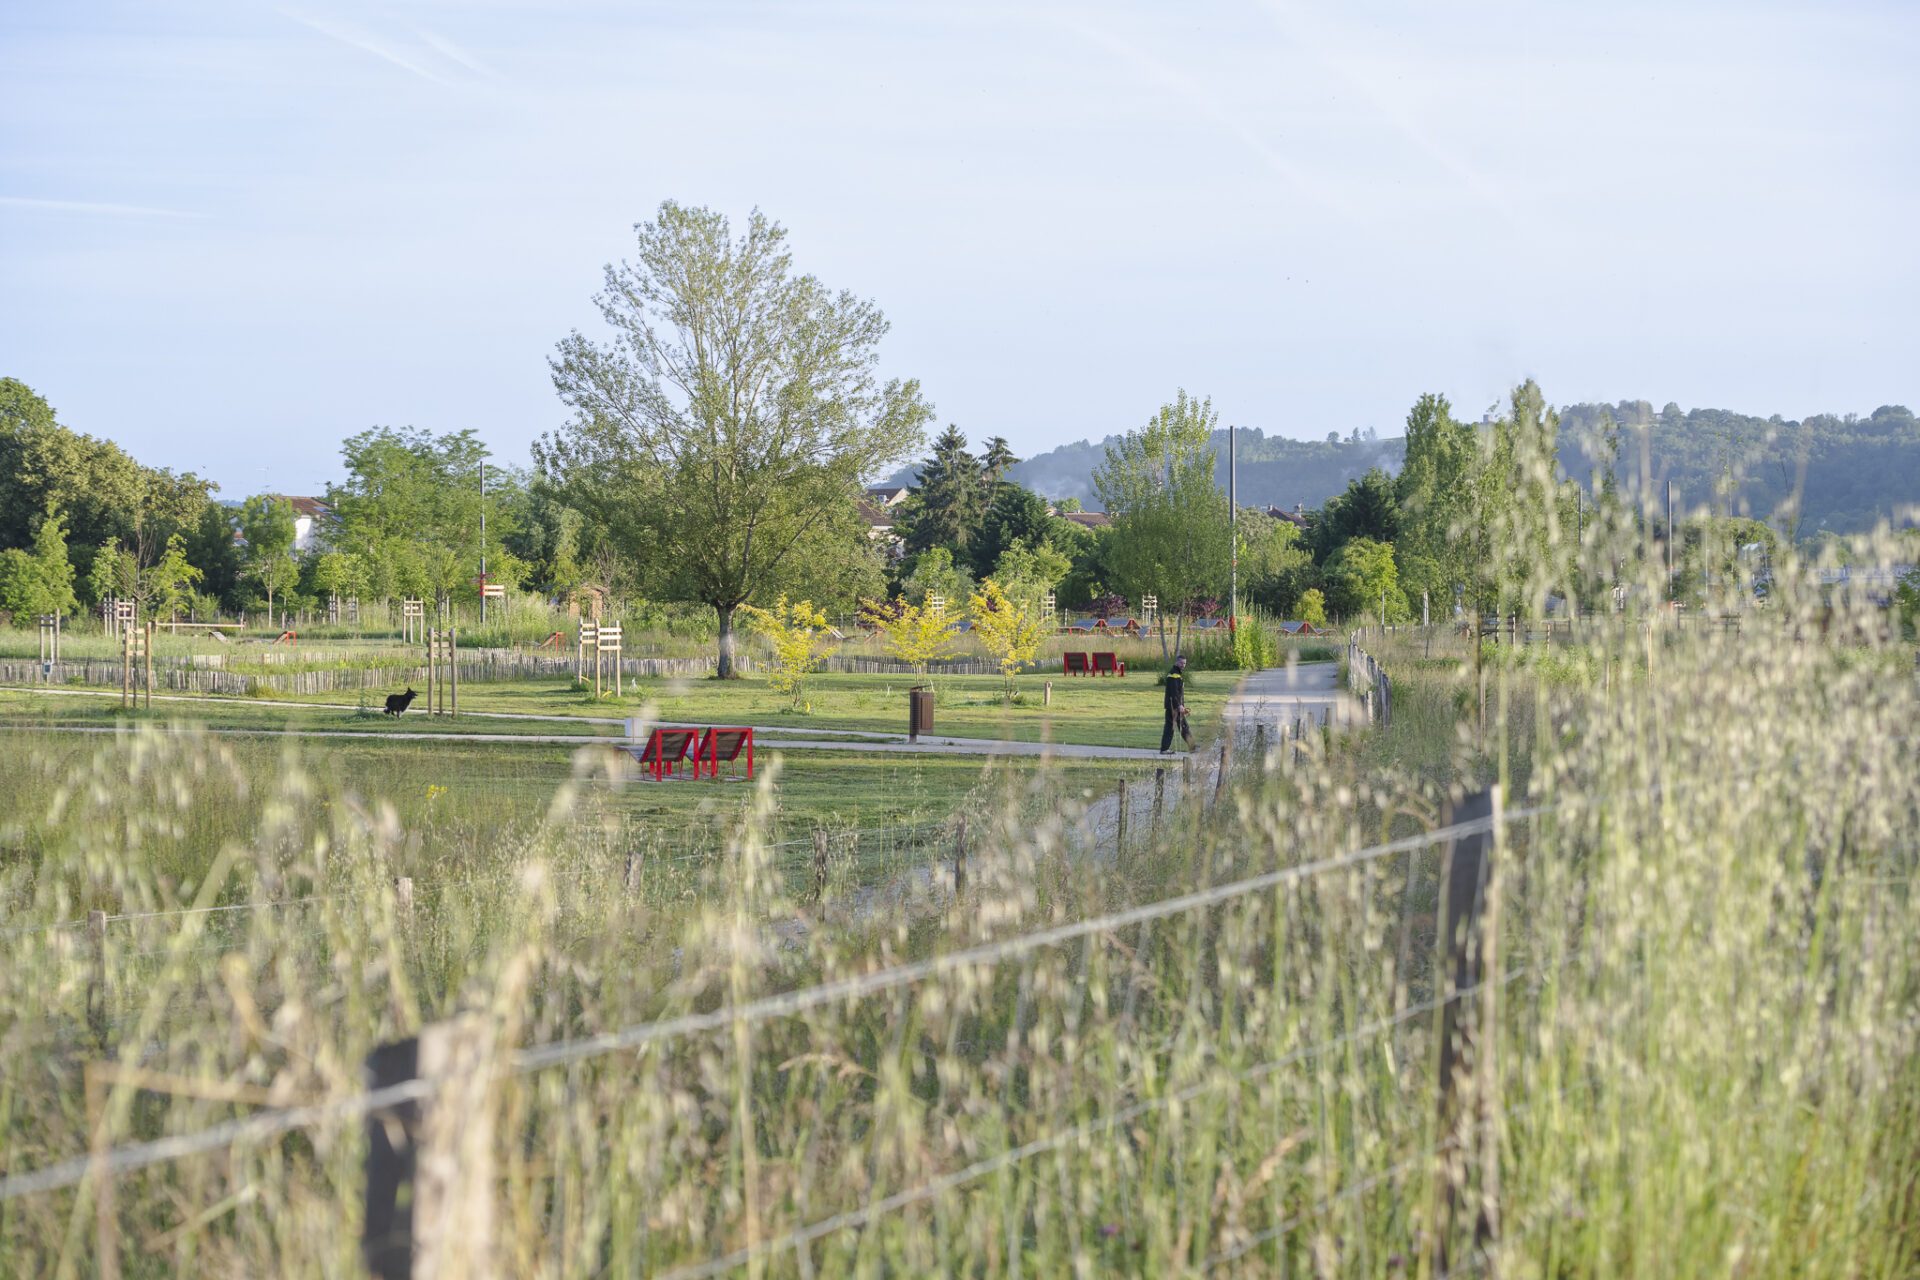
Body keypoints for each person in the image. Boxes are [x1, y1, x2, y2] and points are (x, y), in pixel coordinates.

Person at [1160, 655, 1193, 754]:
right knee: (1183, 726)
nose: (1183, 665)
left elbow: (1178, 692)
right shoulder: (1174, 675)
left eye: (1184, 663)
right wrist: (1179, 705)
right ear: (1176, 662)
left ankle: (1164, 749)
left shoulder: (1176, 674)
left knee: (1170, 727)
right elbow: (1174, 692)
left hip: (1173, 706)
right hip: (1174, 707)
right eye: (1181, 663)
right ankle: (1192, 747)